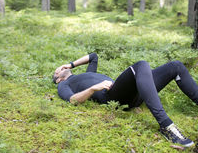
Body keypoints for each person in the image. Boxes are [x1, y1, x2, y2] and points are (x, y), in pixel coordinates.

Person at [53, 53, 198, 147]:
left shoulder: (88, 73)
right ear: (58, 79)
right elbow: (72, 100)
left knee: (176, 66)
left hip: (136, 92)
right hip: (113, 96)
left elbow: (93, 56)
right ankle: (166, 126)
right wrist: (93, 89)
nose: (59, 68)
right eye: (56, 71)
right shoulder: (64, 85)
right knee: (141, 65)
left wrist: (70, 65)